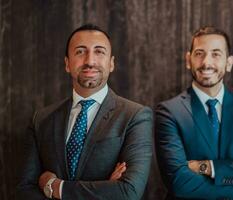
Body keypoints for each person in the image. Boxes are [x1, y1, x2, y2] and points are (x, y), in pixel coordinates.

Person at [17, 24, 153, 200]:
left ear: (111, 63)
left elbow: (128, 192)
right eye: (80, 52)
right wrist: (105, 189)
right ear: (67, 64)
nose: (90, 61)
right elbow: (25, 190)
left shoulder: (135, 116)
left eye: (99, 52)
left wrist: (55, 187)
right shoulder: (41, 119)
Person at [155, 26, 233, 199]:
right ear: (188, 60)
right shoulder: (168, 111)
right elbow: (179, 181)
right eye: (199, 53)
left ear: (229, 63)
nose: (207, 62)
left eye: (216, 54)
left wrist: (207, 167)